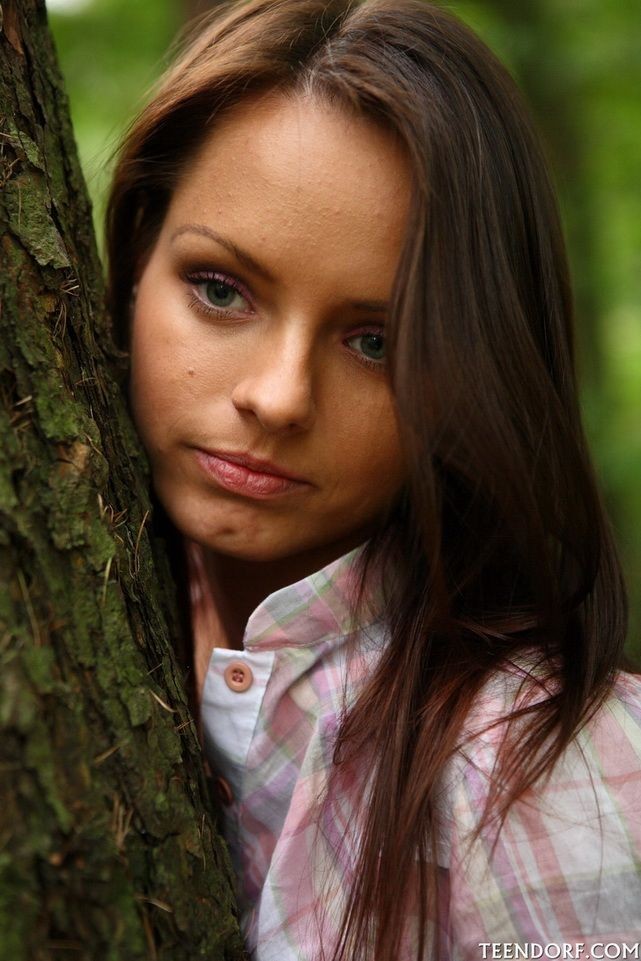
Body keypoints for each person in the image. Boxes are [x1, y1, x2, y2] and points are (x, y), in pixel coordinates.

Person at [105, 0, 641, 958]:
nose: (277, 397)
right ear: (138, 251)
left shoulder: (542, 760)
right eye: (220, 289)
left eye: (374, 342)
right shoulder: (98, 616)